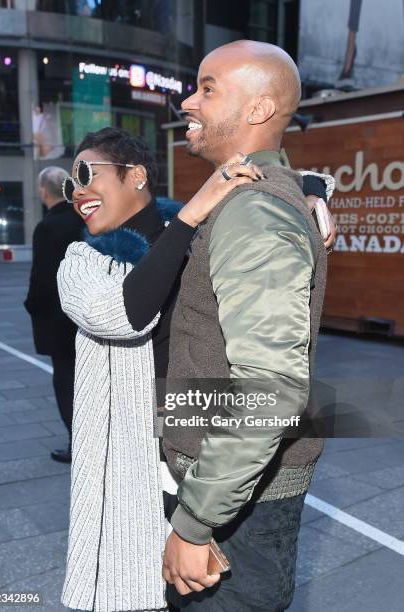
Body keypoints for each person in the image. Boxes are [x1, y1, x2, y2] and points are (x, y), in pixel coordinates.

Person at [57, 126, 333, 611]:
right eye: (69, 185)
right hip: (130, 466)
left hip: (200, 459)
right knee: (134, 587)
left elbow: (271, 175)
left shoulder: (191, 234)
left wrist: (311, 193)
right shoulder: (82, 261)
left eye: (85, 174)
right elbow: (124, 314)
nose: (77, 192)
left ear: (136, 175)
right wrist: (187, 216)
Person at [161, 40, 331, 611]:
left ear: (258, 109)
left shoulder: (253, 211)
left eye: (208, 88)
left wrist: (194, 523)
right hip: (233, 490)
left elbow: (271, 389)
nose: (189, 101)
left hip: (237, 510)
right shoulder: (255, 194)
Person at [24, 166, 83, 464]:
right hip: (86, 316)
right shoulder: (83, 218)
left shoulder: (47, 227)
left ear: (44, 191)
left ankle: (77, 444)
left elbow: (42, 279)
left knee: (65, 381)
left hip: (59, 320)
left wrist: (31, 305)